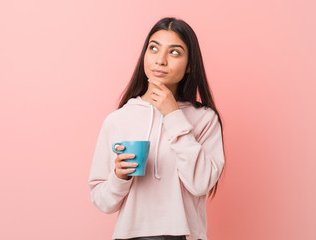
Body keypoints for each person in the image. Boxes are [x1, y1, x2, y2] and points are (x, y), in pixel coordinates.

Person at [88, 17, 225, 240]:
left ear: (190, 64)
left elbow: (200, 184)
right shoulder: (118, 120)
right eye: (153, 48)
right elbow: (103, 202)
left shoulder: (204, 119)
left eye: (174, 52)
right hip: (130, 235)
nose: (160, 60)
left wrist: (173, 115)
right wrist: (119, 177)